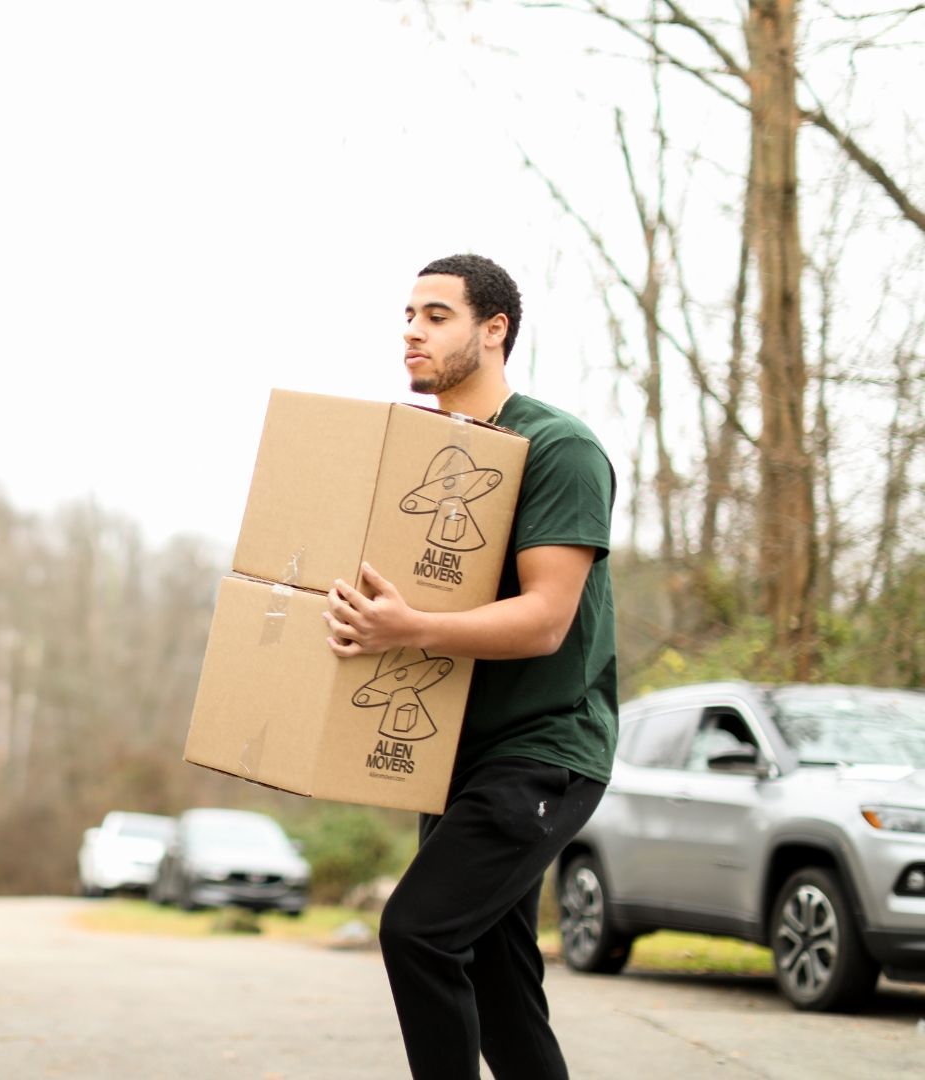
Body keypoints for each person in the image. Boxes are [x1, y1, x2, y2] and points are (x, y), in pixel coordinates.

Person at [322, 253, 618, 1080]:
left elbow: (547, 619)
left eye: (437, 315)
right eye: (408, 316)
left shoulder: (558, 448)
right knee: (497, 977)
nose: (412, 331)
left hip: (543, 749)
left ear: (496, 330)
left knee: (417, 930)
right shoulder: (419, 458)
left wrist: (408, 628)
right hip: (451, 750)